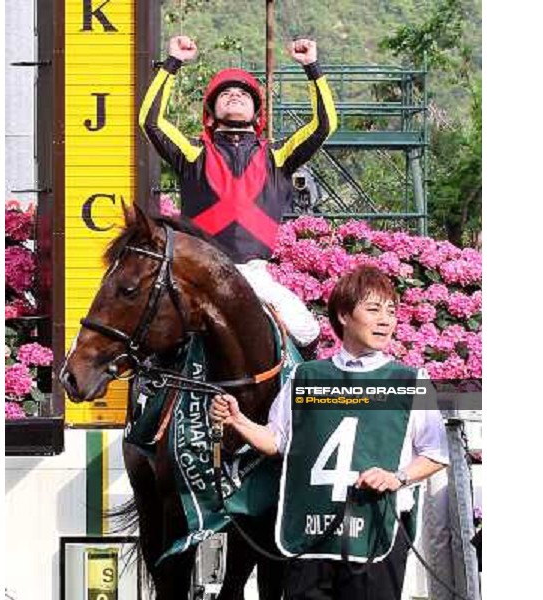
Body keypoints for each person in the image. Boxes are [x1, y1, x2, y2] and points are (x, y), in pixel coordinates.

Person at [210, 265, 450, 600]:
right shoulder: (305, 377)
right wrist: (239, 421)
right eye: (373, 309)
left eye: (391, 312)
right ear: (343, 315)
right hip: (311, 538)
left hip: (375, 536)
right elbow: (277, 441)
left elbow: (436, 454)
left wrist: (397, 477)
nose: (386, 320)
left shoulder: (412, 380)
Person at [139, 35, 338, 353]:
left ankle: (290, 401)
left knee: (307, 329)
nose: (235, 95)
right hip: (199, 269)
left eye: (243, 93)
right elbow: (151, 122)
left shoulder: (277, 157)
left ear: (257, 114)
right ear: (210, 111)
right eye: (226, 93)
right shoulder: (193, 154)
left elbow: (323, 126)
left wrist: (312, 68)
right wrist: (172, 63)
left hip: (253, 275)